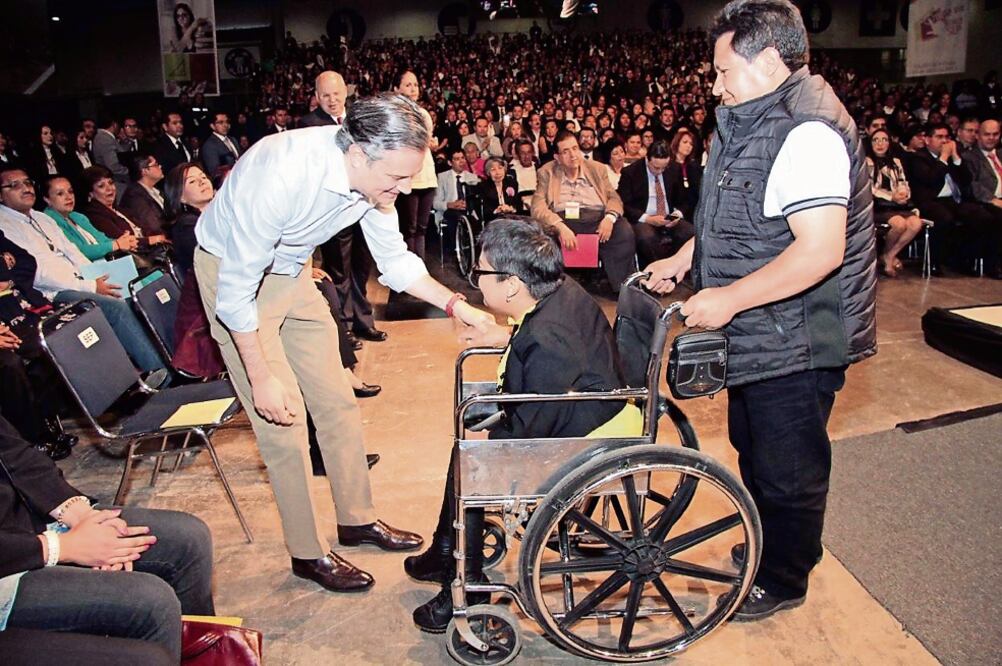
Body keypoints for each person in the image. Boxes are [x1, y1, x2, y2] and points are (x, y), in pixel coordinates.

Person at [192, 93, 494, 592]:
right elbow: (236, 294)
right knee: (283, 422)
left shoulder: (376, 181)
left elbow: (396, 263)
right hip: (235, 277)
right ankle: (308, 553)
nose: (401, 189)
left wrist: (458, 306)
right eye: (395, 177)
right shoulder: (282, 172)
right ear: (357, 153)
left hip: (290, 272)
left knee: (336, 403)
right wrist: (261, 378)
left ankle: (356, 520)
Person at [646, 0, 877, 621]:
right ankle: (779, 546)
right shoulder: (751, 119)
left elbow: (821, 250)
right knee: (754, 444)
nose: (715, 84)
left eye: (724, 70)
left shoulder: (807, 131)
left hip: (797, 335)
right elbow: (742, 218)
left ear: (770, 61)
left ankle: (783, 578)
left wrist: (728, 298)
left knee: (787, 467)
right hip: (762, 328)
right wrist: (686, 259)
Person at [406, 217, 642, 632]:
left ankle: (469, 585)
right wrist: (503, 339)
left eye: (481, 273)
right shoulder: (556, 292)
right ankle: (447, 548)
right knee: (470, 442)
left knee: (476, 459)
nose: (476, 280)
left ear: (511, 284)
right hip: (581, 398)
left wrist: (488, 441)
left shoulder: (549, 339)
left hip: (590, 427)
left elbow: (532, 422)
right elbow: (533, 345)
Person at [0, 415, 214, 663]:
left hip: (23, 525)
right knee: (150, 603)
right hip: (12, 562)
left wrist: (81, 516)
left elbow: (12, 451)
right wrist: (63, 547)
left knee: (187, 539)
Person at [0, 166, 166, 374]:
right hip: (51, 293)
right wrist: (89, 285)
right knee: (115, 306)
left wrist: (96, 277)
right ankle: (160, 373)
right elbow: (39, 273)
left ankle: (168, 358)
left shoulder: (42, 218)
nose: (25, 188)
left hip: (80, 279)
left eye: (27, 183)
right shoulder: (4, 224)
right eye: (14, 185)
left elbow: (73, 253)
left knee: (141, 289)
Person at [531, 130, 635, 292]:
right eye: (566, 151)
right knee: (543, 233)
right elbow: (537, 207)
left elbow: (614, 198)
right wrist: (560, 227)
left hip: (597, 219)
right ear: (557, 158)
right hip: (563, 220)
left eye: (575, 148)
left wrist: (609, 218)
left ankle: (624, 289)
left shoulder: (597, 169)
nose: (573, 155)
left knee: (623, 231)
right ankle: (551, 288)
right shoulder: (547, 172)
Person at [617, 140, 694, 268]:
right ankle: (659, 270)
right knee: (646, 238)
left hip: (668, 216)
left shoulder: (674, 169)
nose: (660, 171)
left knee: (690, 233)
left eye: (664, 167)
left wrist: (677, 214)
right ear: (647, 159)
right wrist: (648, 219)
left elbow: (684, 199)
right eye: (656, 167)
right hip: (644, 218)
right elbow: (624, 203)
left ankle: (674, 267)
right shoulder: (631, 172)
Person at [393, 71, 438, 260]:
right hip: (407, 176)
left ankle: (420, 270)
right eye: (408, 85)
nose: (413, 89)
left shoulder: (423, 114)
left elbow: (427, 141)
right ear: (397, 89)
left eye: (416, 85)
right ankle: (408, 270)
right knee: (408, 228)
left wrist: (429, 143)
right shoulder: (395, 114)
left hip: (426, 173)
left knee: (422, 227)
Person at [865, 128, 923, 277]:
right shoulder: (867, 162)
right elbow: (870, 188)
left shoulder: (896, 162)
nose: (880, 143)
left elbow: (903, 181)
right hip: (879, 205)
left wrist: (903, 193)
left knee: (916, 223)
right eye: (876, 140)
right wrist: (892, 197)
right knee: (899, 224)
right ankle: (887, 255)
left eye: (884, 140)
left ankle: (889, 255)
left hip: (897, 203)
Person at [79, 166, 170, 259]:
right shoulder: (94, 215)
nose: (109, 188)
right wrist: (153, 240)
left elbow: (144, 229)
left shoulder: (119, 210)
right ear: (91, 193)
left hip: (151, 251)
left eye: (110, 183)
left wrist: (163, 236)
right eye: (101, 186)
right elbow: (122, 240)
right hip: (138, 258)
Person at [42, 175, 138, 262]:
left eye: (70, 191)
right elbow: (78, 251)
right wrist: (115, 245)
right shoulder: (48, 221)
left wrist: (125, 241)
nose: (69, 197)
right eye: (60, 194)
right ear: (47, 199)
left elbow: (103, 239)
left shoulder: (78, 216)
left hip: (107, 263)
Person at [119, 153, 168, 238]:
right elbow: (154, 227)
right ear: (145, 171)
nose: (160, 166)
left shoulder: (156, 190)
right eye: (156, 165)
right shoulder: (135, 196)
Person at [665, 129, 703, 220]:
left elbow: (696, 194)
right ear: (677, 143)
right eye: (685, 142)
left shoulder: (694, 167)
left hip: (690, 210)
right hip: (670, 210)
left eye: (691, 144)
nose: (688, 146)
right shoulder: (667, 166)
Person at [478, 156, 525, 221]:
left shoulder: (512, 183)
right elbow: (484, 210)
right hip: (493, 220)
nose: (497, 173)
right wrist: (496, 210)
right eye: (493, 170)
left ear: (504, 169)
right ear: (488, 172)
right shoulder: (483, 186)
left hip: (512, 219)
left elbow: (518, 204)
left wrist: (511, 208)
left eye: (500, 168)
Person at [199, 113, 241, 180]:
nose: (225, 125)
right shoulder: (209, 145)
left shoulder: (233, 139)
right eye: (221, 122)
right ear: (212, 126)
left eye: (227, 122)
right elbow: (215, 173)